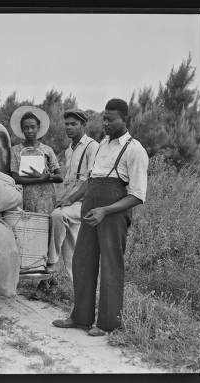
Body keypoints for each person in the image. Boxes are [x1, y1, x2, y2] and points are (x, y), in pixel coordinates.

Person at [52, 99, 149, 336]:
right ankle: (81, 317)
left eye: (110, 119)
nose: (104, 123)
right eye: (103, 118)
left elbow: (137, 195)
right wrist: (72, 199)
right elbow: (92, 180)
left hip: (113, 214)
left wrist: (106, 210)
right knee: (82, 262)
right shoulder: (102, 144)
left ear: (125, 120)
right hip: (90, 209)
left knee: (110, 266)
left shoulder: (135, 150)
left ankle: (108, 324)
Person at [46, 109, 99, 281]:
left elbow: (90, 181)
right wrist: (63, 198)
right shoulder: (70, 149)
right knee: (72, 252)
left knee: (57, 216)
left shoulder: (92, 147)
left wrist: (69, 199)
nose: (69, 127)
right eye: (67, 124)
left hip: (86, 201)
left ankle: (51, 261)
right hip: (72, 200)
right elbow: (69, 180)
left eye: (73, 124)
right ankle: (79, 291)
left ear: (84, 125)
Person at [10, 106, 63, 215]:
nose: (29, 130)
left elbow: (59, 177)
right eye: (26, 127)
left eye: (33, 127)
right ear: (22, 129)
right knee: (29, 227)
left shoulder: (47, 150)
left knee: (47, 227)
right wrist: (40, 178)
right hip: (25, 198)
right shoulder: (15, 151)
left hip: (47, 198)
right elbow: (15, 178)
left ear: (38, 127)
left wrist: (47, 177)